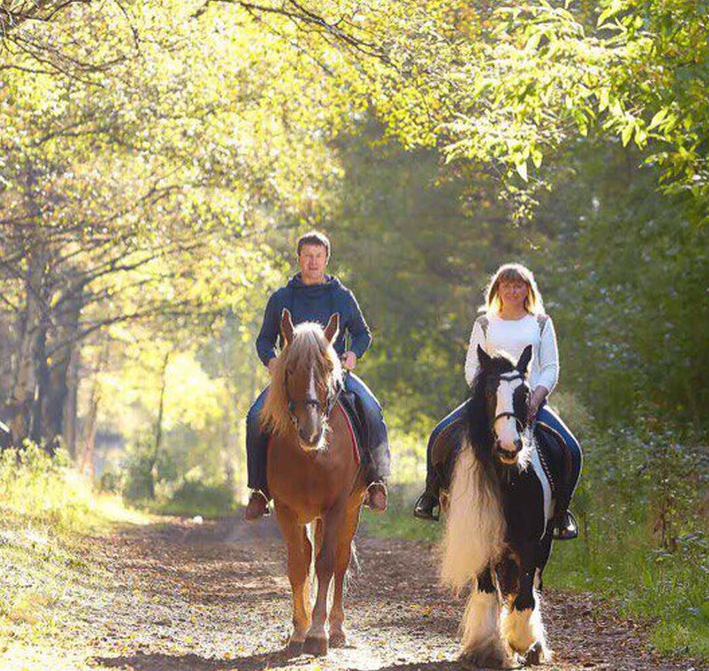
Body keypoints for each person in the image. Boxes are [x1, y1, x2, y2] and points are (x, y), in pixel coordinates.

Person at [414, 263, 582, 539]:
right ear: (498, 289)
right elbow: (472, 365)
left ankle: (561, 514)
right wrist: (485, 397)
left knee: (572, 449)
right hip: (489, 402)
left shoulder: (540, 323)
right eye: (507, 285)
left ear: (527, 289)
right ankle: (431, 495)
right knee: (439, 434)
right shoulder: (484, 323)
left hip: (529, 402)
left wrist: (537, 397)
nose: (513, 291)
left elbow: (550, 366)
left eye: (519, 285)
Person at [244, 231, 391, 520]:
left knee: (373, 410)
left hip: (331, 375)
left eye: (318, 256)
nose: (312, 262)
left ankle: (375, 480)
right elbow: (264, 340)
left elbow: (363, 334)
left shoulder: (342, 296)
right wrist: (271, 360)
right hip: (292, 379)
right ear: (299, 258)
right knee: (254, 418)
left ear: (326, 259)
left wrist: (353, 354)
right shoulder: (281, 298)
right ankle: (260, 489)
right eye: (307, 256)